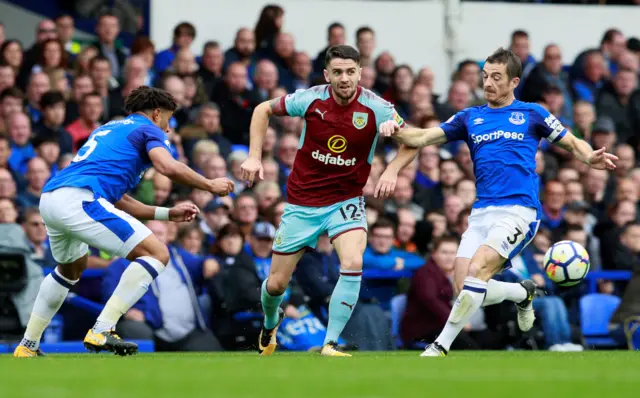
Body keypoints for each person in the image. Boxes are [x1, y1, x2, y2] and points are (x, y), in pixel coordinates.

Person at [379, 47, 617, 357]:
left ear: (513, 81)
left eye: (496, 77)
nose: (488, 83)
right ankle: (521, 292)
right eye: (485, 77)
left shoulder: (533, 113)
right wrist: (394, 130)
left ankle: (440, 345)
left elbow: (570, 141)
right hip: (481, 213)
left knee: (478, 272)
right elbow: (422, 137)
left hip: (519, 211)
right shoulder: (470, 117)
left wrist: (588, 156)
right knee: (463, 287)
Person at [13, 86, 234, 358]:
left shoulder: (110, 129)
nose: (167, 129)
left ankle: (28, 345)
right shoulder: (148, 129)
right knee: (157, 253)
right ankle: (102, 329)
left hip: (52, 198)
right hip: (80, 199)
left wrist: (166, 213)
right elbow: (167, 167)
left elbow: (118, 198)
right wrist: (210, 184)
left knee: (71, 268)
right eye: (167, 120)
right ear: (156, 113)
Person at [240, 45, 416, 357]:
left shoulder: (378, 107)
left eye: (351, 71)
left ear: (360, 72)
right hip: (302, 204)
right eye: (338, 72)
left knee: (353, 262)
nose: (344, 78)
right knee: (277, 284)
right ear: (327, 74)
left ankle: (330, 343)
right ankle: (270, 322)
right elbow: (261, 110)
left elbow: (411, 141)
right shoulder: (310, 98)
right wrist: (254, 157)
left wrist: (391, 171)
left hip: (345, 201)